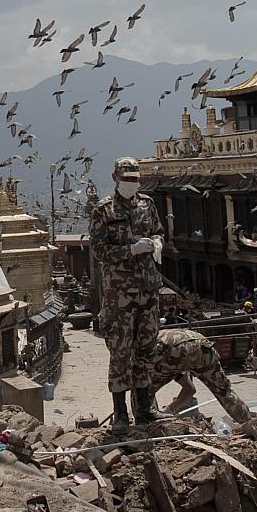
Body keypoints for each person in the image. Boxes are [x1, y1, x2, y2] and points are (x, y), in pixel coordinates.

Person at [89, 156, 165, 430]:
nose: (131, 184)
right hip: (120, 293)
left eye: (135, 180)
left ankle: (144, 409)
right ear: (115, 178)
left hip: (148, 288)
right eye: (127, 179)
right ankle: (121, 413)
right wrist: (130, 250)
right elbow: (99, 250)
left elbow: (159, 231)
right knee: (121, 352)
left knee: (146, 349)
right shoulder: (104, 210)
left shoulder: (148, 204)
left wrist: (156, 243)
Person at [152, 328, 252, 422]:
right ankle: (250, 424)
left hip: (172, 350)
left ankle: (149, 428)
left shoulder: (146, 353)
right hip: (201, 344)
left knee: (144, 395)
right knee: (225, 393)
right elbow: (190, 389)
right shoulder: (155, 343)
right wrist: (169, 410)